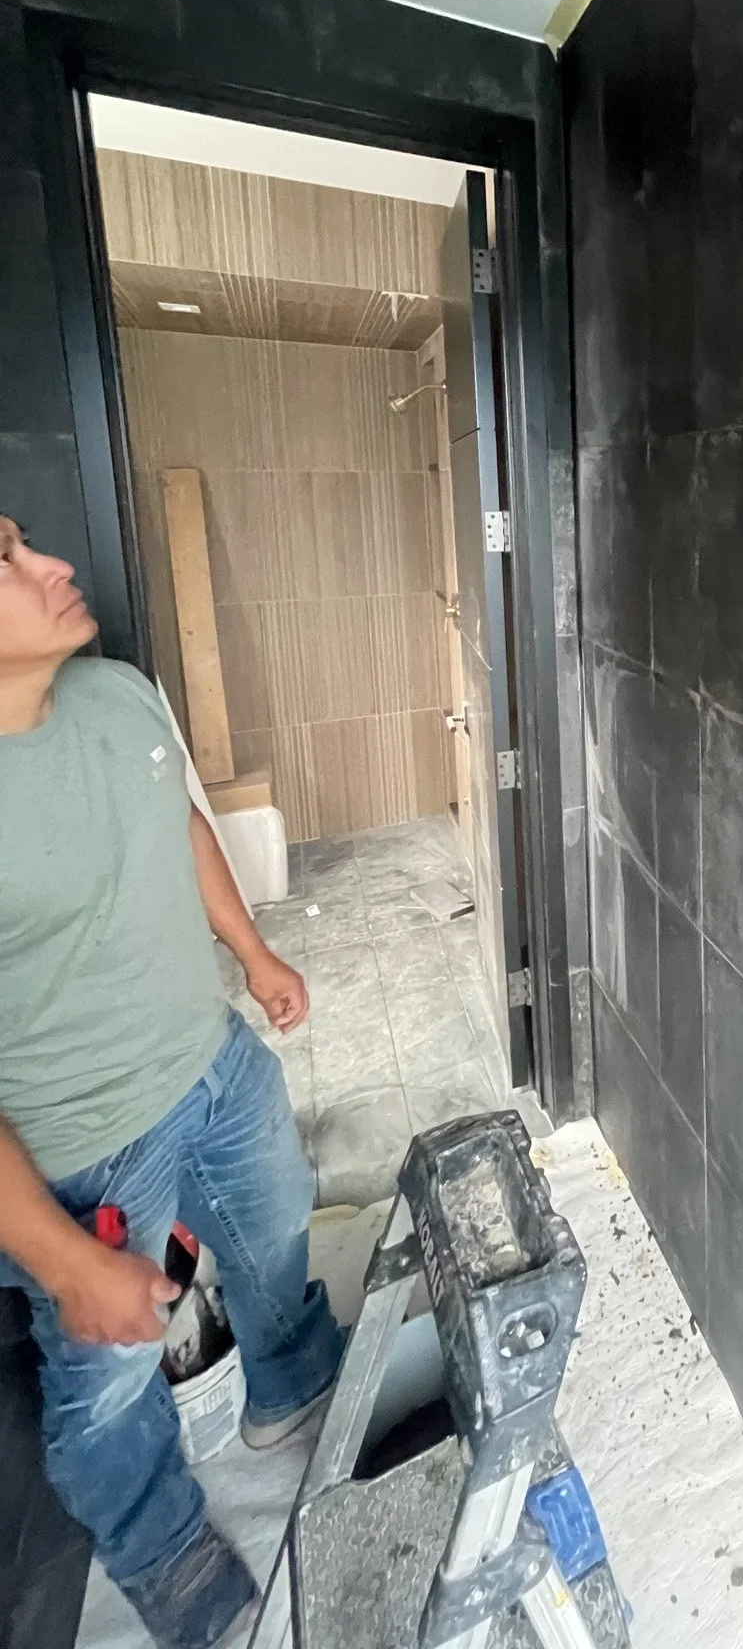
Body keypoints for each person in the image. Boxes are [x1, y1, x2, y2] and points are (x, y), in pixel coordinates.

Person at [0, 514, 344, 1649]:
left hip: (210, 1057)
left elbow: (181, 819)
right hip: (83, 1143)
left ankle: (292, 1379)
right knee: (104, 1383)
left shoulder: (115, 694)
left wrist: (252, 952)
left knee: (275, 1219)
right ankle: (166, 1550)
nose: (52, 562)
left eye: (22, 539)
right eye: (5, 561)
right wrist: (61, 1257)